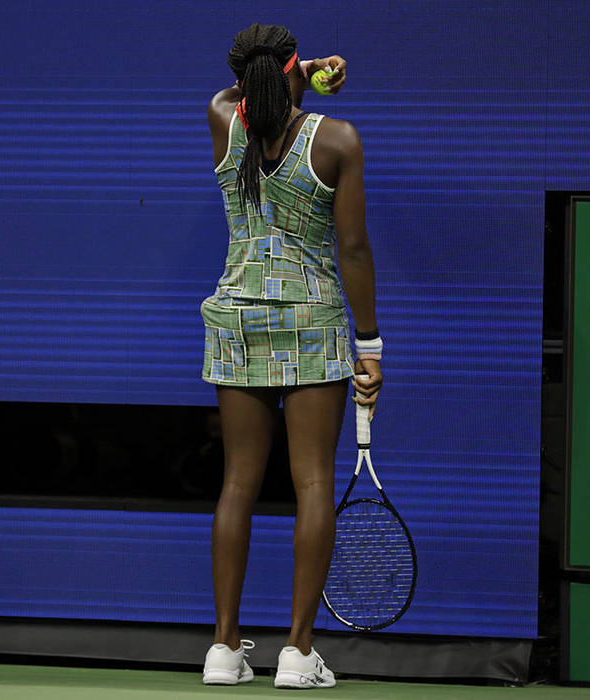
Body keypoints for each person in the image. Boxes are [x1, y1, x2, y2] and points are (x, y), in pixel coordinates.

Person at [198, 23, 382, 690]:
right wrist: (370, 346)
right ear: (292, 67)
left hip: (237, 320)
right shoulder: (337, 139)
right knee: (311, 484)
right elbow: (354, 250)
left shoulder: (224, 119)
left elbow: (234, 92)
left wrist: (293, 75)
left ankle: (223, 650)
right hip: (313, 322)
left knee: (238, 485)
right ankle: (298, 655)